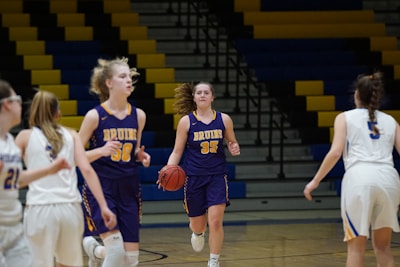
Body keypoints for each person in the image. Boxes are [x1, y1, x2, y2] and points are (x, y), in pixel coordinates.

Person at [304, 72, 400, 267]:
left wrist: (315, 181)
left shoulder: (344, 118)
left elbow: (335, 153)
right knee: (383, 247)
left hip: (359, 179)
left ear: (357, 94)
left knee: (356, 248)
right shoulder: (391, 121)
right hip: (389, 179)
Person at [14, 90, 117, 267]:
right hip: (70, 209)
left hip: (40, 209)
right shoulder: (71, 135)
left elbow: (12, 177)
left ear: (33, 113)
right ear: (58, 113)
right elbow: (86, 169)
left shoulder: (25, 137)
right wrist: (104, 206)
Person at [79, 57, 151, 267]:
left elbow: (134, 149)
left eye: (130, 76)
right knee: (117, 249)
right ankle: (100, 251)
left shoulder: (139, 116)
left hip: (129, 188)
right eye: (122, 76)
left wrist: (140, 155)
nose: (129, 80)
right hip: (101, 187)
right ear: (109, 83)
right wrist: (100, 151)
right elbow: (75, 156)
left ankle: (96, 251)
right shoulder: (95, 116)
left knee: (130, 260)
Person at [162, 82, 240, 267]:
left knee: (215, 221)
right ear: (194, 97)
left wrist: (234, 147)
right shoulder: (186, 122)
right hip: (193, 177)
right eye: (199, 92)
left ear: (212, 97)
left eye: (206, 92)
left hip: (217, 176)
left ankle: (214, 261)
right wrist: (166, 171)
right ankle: (197, 233)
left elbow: (232, 142)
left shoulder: (224, 119)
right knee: (198, 225)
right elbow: (177, 151)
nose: (203, 95)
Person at [0, 80, 72, 267]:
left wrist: (50, 170)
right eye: (17, 99)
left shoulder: (9, 141)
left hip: (13, 226)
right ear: (7, 104)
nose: (21, 104)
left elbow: (17, 179)